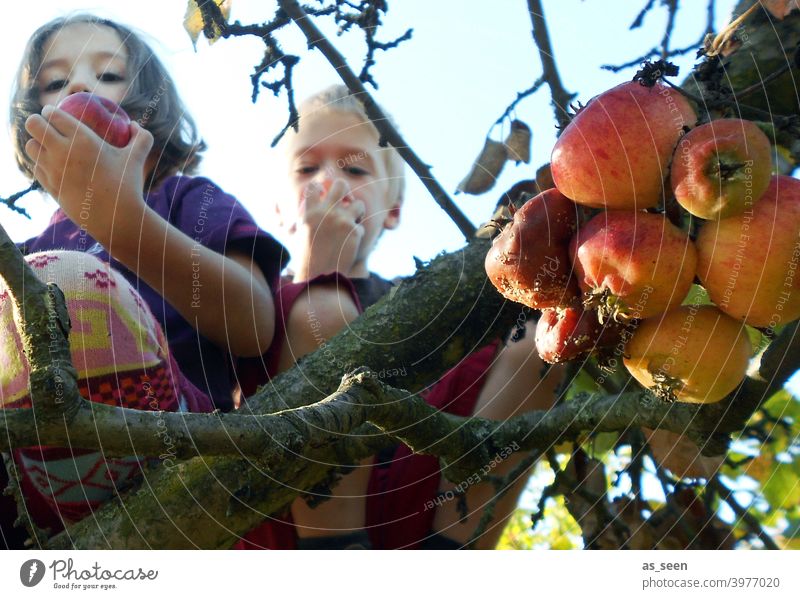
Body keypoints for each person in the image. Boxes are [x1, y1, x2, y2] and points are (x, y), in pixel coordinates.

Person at [0, 14, 287, 545]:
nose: (81, 87)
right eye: (56, 83)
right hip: (30, 472)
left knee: (70, 281)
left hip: (178, 444)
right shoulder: (24, 256)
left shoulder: (187, 201)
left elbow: (253, 324)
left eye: (108, 75)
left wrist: (123, 221)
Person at [236, 85, 562, 550]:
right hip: (286, 521)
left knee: (536, 340)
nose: (328, 180)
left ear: (391, 211)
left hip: (422, 504)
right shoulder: (260, 294)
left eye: (354, 168)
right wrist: (319, 258)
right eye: (307, 168)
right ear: (279, 210)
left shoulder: (416, 303)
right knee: (323, 308)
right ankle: (335, 548)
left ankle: (452, 550)